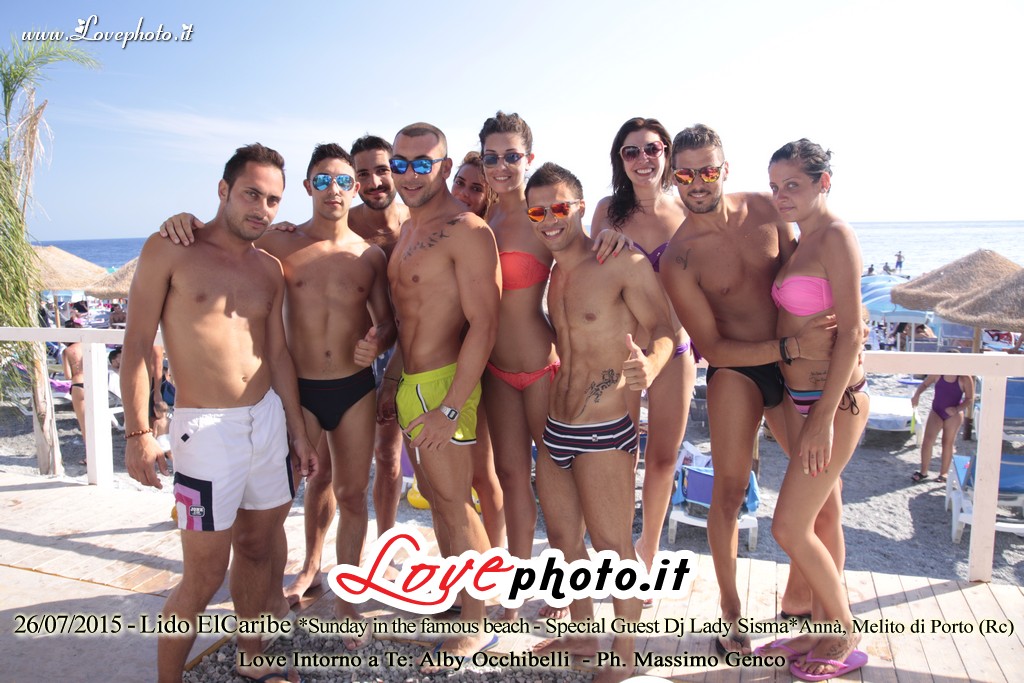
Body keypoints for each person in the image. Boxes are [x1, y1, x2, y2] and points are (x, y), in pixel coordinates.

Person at [160, 143, 396, 647]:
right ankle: (291, 581)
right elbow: (222, 238)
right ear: (308, 187)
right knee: (281, 500)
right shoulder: (277, 243)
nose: (334, 190)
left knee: (352, 495)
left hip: (354, 387)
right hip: (297, 389)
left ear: (355, 188)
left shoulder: (369, 255)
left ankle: (348, 601)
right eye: (323, 180)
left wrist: (378, 341)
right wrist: (182, 222)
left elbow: (388, 322)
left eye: (343, 181)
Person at [123, 143, 316, 683]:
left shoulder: (269, 269)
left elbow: (277, 354)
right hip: (205, 433)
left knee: (258, 549)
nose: (262, 209)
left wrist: (298, 433)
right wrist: (138, 432)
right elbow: (136, 345)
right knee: (203, 576)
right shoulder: (170, 248)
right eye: (252, 194)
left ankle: (254, 660)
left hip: (267, 421)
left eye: (273, 200)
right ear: (223, 190)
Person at [660, 124, 836, 654]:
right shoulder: (679, 257)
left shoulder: (765, 208)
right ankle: (731, 609)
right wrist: (788, 348)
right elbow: (713, 347)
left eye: (707, 170)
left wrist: (847, 322)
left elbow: (808, 273)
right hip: (739, 370)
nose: (697, 183)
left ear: (725, 169)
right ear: (674, 177)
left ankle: (807, 609)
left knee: (823, 497)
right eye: (685, 174)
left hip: (795, 367)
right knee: (730, 492)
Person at [525, 162, 673, 683]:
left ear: (580, 207)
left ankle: (625, 655)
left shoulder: (621, 261)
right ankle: (584, 637)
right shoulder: (553, 271)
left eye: (559, 207)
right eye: (538, 212)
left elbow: (665, 327)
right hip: (556, 424)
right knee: (564, 540)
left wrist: (651, 365)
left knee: (613, 547)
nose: (549, 219)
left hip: (604, 428)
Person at [378, 122, 500, 668]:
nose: (409, 174)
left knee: (455, 504)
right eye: (399, 164)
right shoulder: (408, 229)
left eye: (422, 163)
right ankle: (460, 597)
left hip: (445, 386)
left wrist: (450, 407)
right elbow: (407, 320)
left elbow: (485, 324)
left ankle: (478, 623)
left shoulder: (467, 230)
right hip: (412, 386)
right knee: (438, 501)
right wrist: (391, 382)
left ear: (444, 167)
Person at [760, 139, 869, 679]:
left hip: (834, 402)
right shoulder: (802, 241)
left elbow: (852, 332)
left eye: (793, 185)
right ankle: (817, 626)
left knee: (789, 525)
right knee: (823, 515)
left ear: (823, 182)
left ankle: (843, 630)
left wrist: (822, 418)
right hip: (797, 400)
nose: (781, 196)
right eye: (775, 186)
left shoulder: (836, 236)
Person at [591, 117, 697, 576]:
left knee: (664, 457)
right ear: (621, 160)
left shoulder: (688, 210)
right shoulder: (607, 211)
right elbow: (588, 276)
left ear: (667, 153)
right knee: (620, 457)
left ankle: (648, 551)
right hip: (623, 351)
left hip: (675, 348)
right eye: (631, 151)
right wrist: (604, 243)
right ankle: (618, 553)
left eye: (652, 148)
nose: (643, 159)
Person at [474, 111, 558, 621]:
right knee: (510, 476)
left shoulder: (544, 215)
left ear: (529, 157)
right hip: (496, 372)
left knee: (555, 479)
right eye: (492, 157)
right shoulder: (481, 221)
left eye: (511, 156)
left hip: (543, 366)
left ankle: (562, 588)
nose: (501, 165)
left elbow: (584, 261)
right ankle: (518, 580)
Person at [349, 134, 409, 539]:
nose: (374, 183)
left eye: (382, 170)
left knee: (392, 458)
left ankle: (385, 544)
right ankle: (319, 555)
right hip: (358, 351)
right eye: (363, 174)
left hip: (410, 349)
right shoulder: (344, 223)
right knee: (337, 465)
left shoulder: (416, 220)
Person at [911, 373, 974, 482]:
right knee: (927, 441)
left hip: (954, 413)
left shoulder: (965, 378)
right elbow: (925, 384)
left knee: (947, 442)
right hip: (936, 411)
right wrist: (917, 395)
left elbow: (970, 399)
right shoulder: (938, 373)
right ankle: (923, 472)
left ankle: (944, 473)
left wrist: (957, 409)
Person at [61, 320, 86, 448]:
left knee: (84, 423)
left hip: (78, 385)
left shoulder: (67, 351)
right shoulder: (88, 346)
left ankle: (89, 454)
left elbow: (68, 375)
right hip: (92, 383)